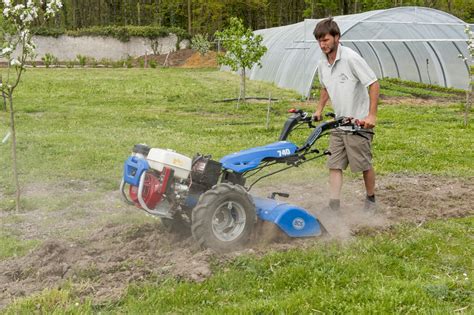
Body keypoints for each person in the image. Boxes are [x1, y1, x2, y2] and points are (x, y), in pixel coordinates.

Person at [312, 17, 380, 212]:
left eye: (325, 40)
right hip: (338, 123)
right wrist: (319, 110)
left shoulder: (351, 58)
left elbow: (373, 83)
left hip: (358, 123)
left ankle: (371, 200)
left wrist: (371, 116)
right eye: (319, 41)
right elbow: (325, 87)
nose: (322, 44)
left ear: (336, 37)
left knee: (363, 164)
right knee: (334, 165)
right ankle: (334, 206)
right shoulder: (322, 64)